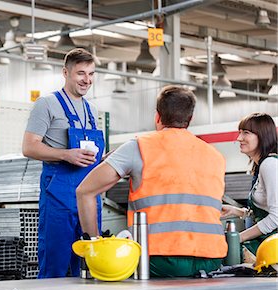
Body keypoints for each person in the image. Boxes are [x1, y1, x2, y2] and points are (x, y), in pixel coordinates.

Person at [76, 85, 228, 277]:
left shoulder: (139, 147)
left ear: (157, 116)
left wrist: (95, 246)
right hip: (211, 260)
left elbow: (85, 191)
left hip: (158, 259)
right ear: (190, 119)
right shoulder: (215, 155)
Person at [22, 48, 105, 278]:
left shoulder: (92, 109)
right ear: (65, 73)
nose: (87, 80)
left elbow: (93, 152)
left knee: (90, 264)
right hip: (59, 194)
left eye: (91, 73)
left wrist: (106, 160)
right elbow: (28, 147)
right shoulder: (46, 104)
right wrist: (66, 155)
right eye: (81, 73)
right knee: (55, 264)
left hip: (89, 195)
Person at [221, 113, 277, 254]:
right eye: (239, 133)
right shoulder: (262, 166)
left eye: (246, 133)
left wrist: (238, 238)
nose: (239, 138)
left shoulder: (269, 165)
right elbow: (265, 212)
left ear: (262, 135)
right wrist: (237, 211)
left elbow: (276, 217)